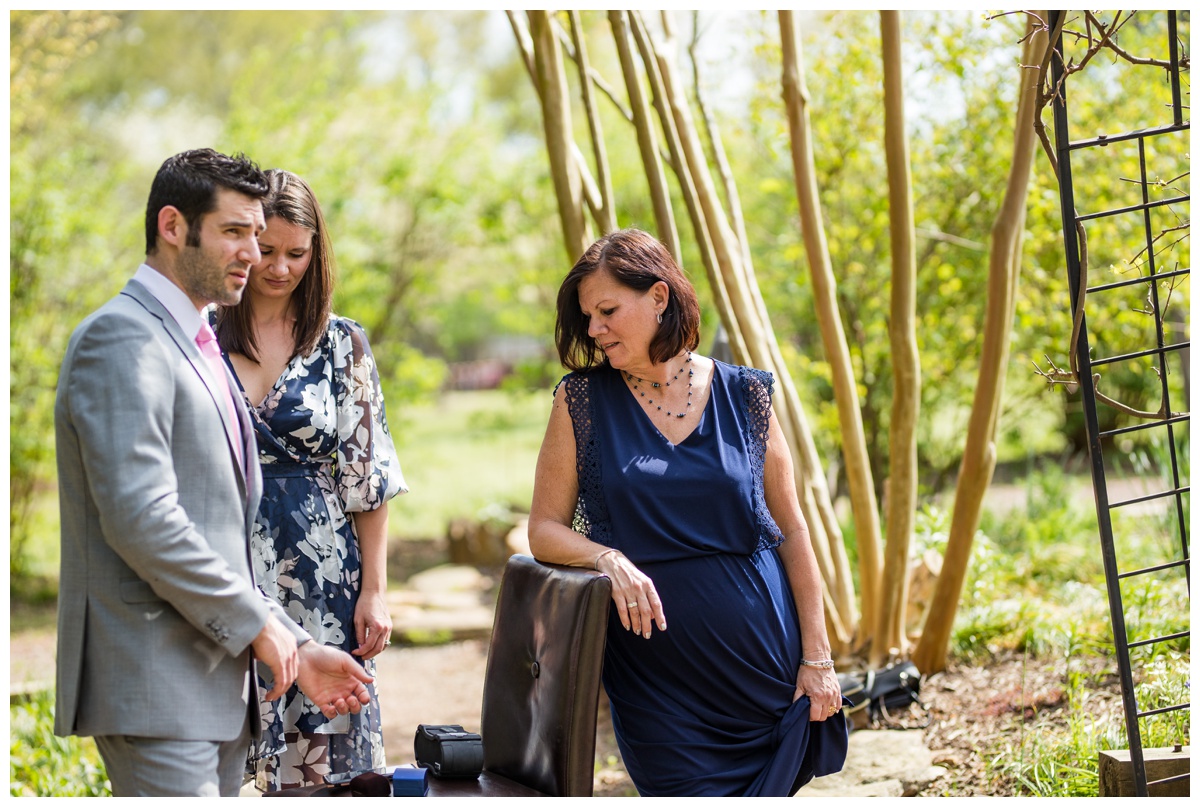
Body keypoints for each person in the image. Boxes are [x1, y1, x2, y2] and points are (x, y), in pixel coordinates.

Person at [53, 148, 374, 798]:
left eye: (256, 235)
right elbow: (143, 519)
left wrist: (292, 642)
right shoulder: (121, 339)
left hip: (220, 688)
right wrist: (259, 626)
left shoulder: (195, 340)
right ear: (173, 226)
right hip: (155, 682)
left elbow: (218, 523)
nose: (253, 254)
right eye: (234, 232)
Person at [527, 228, 850, 796]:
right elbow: (543, 530)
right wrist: (607, 558)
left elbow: (792, 530)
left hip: (761, 672)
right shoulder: (579, 401)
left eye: (607, 310)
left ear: (658, 297)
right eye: (588, 317)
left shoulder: (745, 394)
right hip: (656, 685)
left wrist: (818, 658)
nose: (595, 329)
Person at [211, 169, 406, 791]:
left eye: (298, 254)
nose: (279, 268)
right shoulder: (202, 333)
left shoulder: (342, 342)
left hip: (323, 572)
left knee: (324, 773)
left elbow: (366, 475)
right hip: (228, 562)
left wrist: (374, 588)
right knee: (215, 757)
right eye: (267, 251)